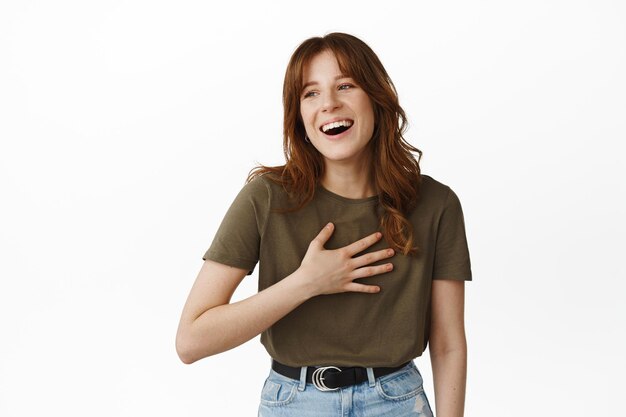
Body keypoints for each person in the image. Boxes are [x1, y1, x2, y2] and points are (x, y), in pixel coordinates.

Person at [176, 32, 472, 417]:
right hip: (295, 402)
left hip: (398, 403)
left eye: (345, 85)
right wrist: (306, 283)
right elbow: (191, 340)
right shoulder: (265, 198)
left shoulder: (436, 204)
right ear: (298, 116)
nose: (329, 104)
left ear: (376, 98)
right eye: (310, 93)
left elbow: (448, 342)